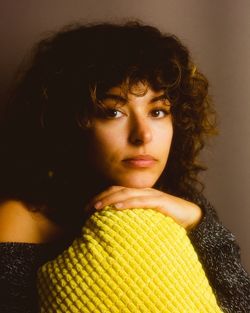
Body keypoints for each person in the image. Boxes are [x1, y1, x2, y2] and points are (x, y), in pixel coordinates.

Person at [0, 21, 249, 313]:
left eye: (157, 111)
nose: (142, 135)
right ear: (68, 122)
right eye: (113, 112)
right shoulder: (21, 219)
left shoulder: (184, 203)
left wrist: (199, 222)